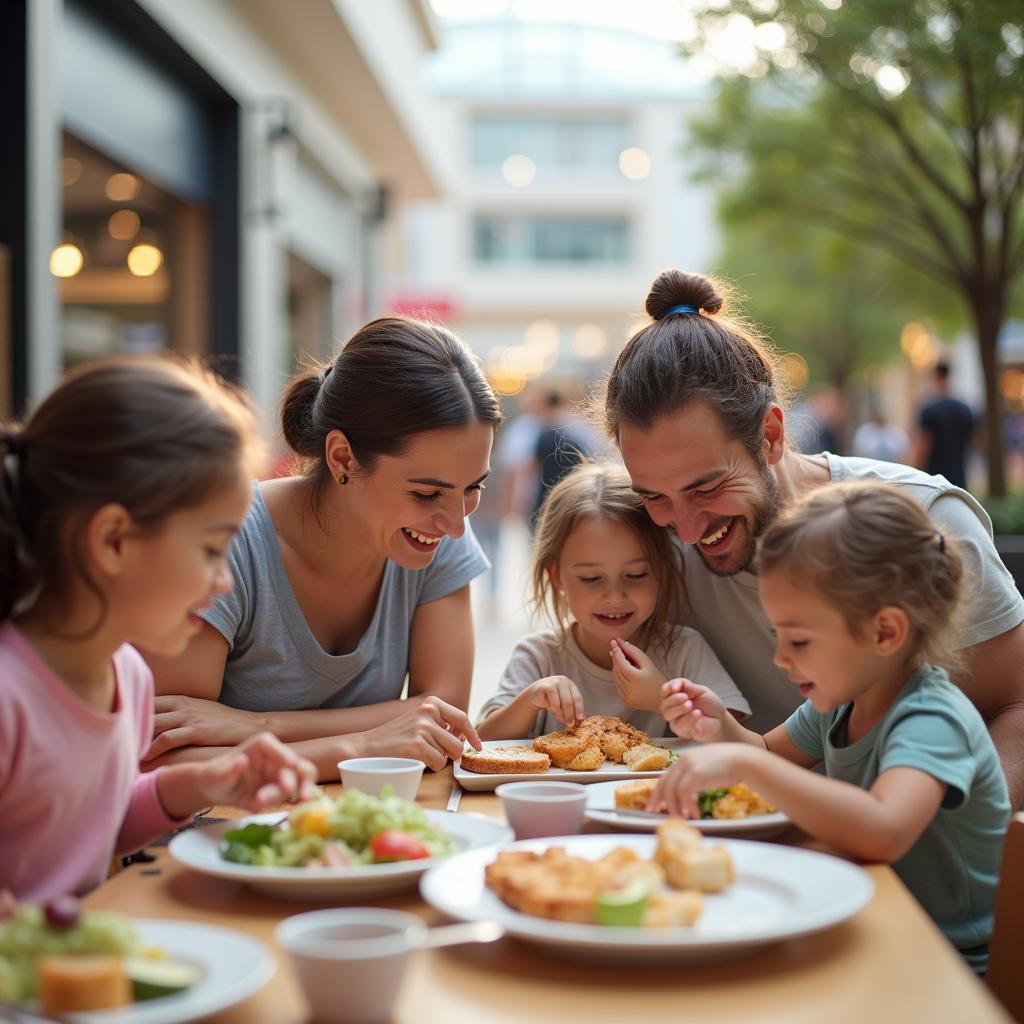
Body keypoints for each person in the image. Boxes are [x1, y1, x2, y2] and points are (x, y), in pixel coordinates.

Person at [604, 269, 1024, 808]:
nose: (685, 530)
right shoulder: (646, 553)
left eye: (707, 486)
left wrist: (953, 835)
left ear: (771, 436)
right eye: (654, 497)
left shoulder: (925, 522)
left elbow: (1015, 706)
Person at [652, 482, 1010, 974]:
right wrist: (721, 729)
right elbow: (767, 754)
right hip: (875, 925)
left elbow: (883, 830)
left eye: (798, 640)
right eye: (779, 636)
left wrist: (742, 761)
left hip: (948, 963)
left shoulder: (932, 719)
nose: (780, 658)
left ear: (885, 632)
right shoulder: (840, 701)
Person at [0, 357, 317, 901]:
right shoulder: (10, 697)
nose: (224, 582)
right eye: (212, 550)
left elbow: (98, 824)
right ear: (114, 542)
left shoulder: (128, 674)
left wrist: (199, 784)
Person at [145, 317, 500, 779]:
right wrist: (360, 744)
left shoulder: (433, 531)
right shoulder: (227, 543)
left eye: (473, 487)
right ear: (342, 458)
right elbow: (164, 755)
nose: (455, 524)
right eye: (425, 493)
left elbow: (442, 718)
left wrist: (254, 726)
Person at [477, 463, 749, 739]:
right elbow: (483, 743)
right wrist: (531, 700)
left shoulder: (683, 651)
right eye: (591, 578)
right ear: (557, 576)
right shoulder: (539, 657)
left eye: (635, 575)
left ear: (661, 571)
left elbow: (736, 739)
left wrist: (660, 698)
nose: (614, 596)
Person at [529, 389, 591, 528]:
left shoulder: (542, 432)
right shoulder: (579, 428)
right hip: (573, 492)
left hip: (546, 494)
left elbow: (532, 467)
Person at [914, 360, 977, 489]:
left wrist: (916, 470)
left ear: (936, 376)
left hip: (934, 478)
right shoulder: (964, 408)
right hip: (959, 474)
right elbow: (976, 441)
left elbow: (924, 444)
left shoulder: (929, 409)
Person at [852, 397, 910, 464]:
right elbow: (859, 455)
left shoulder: (898, 434)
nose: (881, 413)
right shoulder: (864, 433)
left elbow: (904, 456)